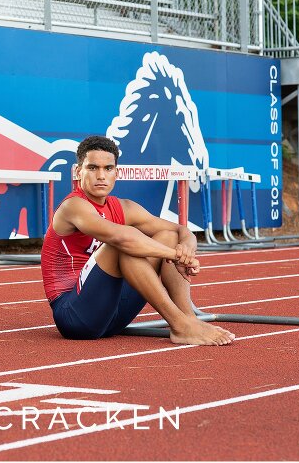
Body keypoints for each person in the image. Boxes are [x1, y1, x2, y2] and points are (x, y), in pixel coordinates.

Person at [41, 135, 235, 346]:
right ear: (79, 172)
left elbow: (181, 230)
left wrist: (187, 248)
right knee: (122, 246)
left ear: (117, 173)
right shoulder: (73, 206)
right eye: (93, 168)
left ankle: (188, 319)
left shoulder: (123, 207)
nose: (101, 175)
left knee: (168, 237)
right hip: (75, 316)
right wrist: (175, 256)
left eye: (108, 168)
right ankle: (180, 324)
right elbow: (122, 238)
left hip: (113, 314)